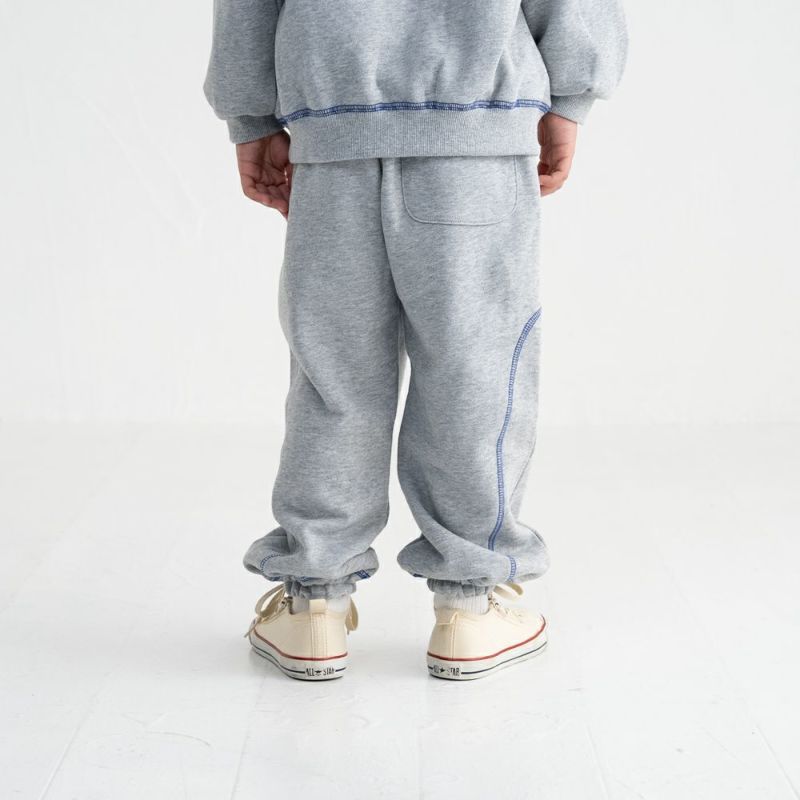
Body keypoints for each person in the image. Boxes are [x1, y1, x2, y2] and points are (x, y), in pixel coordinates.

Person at [204, 0, 627, 681]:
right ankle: (470, 606)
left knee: (333, 374)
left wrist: (250, 115)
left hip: (331, 138)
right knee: (474, 369)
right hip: (476, 136)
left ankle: (313, 605)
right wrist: (571, 97)